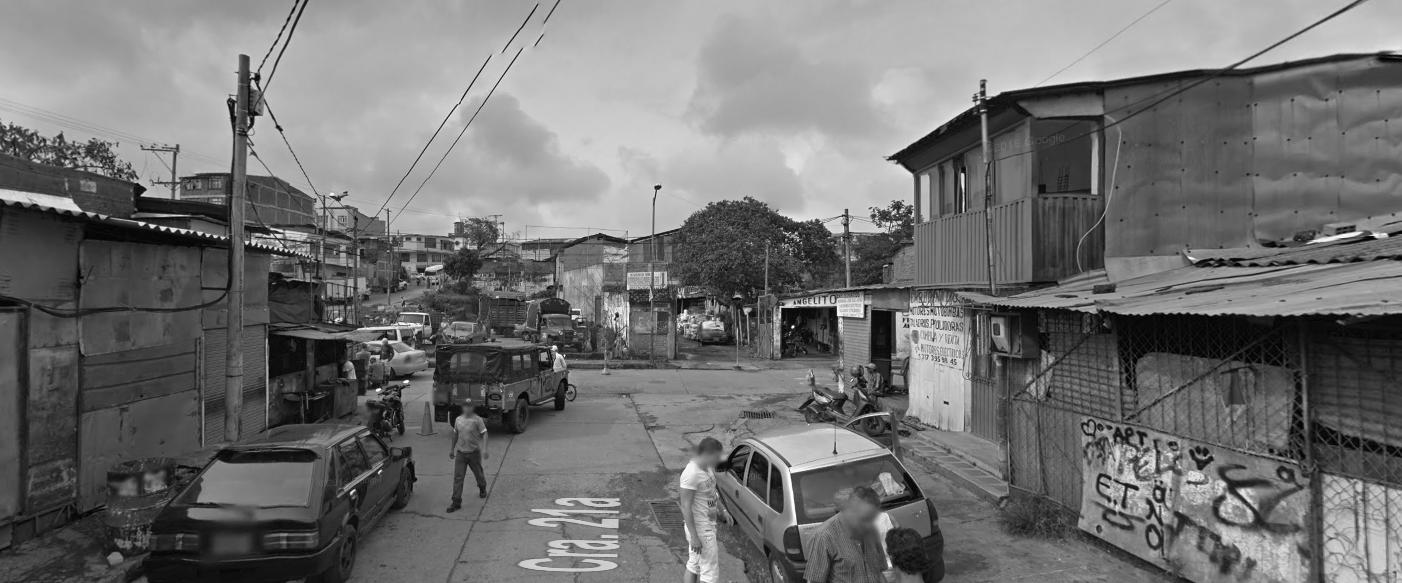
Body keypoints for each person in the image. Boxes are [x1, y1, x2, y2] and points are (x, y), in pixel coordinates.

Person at [804, 486, 887, 583]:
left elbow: (880, 572)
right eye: (863, 518)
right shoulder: (824, 536)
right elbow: (815, 580)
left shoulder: (871, 530)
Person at [679, 437, 730, 583]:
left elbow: (712, 492)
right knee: (709, 574)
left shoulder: (707, 468)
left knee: (694, 565)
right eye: (716, 457)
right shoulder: (691, 474)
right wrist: (695, 537)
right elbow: (685, 506)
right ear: (707, 454)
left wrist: (723, 510)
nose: (718, 461)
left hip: (706, 526)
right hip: (701, 530)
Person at [446, 404, 489, 512]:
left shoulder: (477, 420)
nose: (467, 408)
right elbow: (455, 434)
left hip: (474, 453)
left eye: (470, 406)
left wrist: (484, 449)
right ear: (463, 408)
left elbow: (485, 434)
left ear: (472, 408)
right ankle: (456, 502)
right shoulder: (458, 420)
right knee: (458, 478)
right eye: (466, 406)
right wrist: (452, 449)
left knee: (478, 474)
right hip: (461, 454)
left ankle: (482, 487)